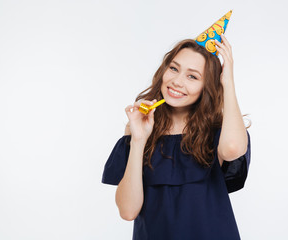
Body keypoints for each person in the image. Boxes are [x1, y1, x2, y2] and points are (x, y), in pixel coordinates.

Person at [101, 12, 251, 240]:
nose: (177, 81)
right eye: (173, 68)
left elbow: (232, 149)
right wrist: (139, 140)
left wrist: (227, 80)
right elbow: (128, 211)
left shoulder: (219, 130)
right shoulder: (138, 129)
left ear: (207, 86)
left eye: (192, 77)